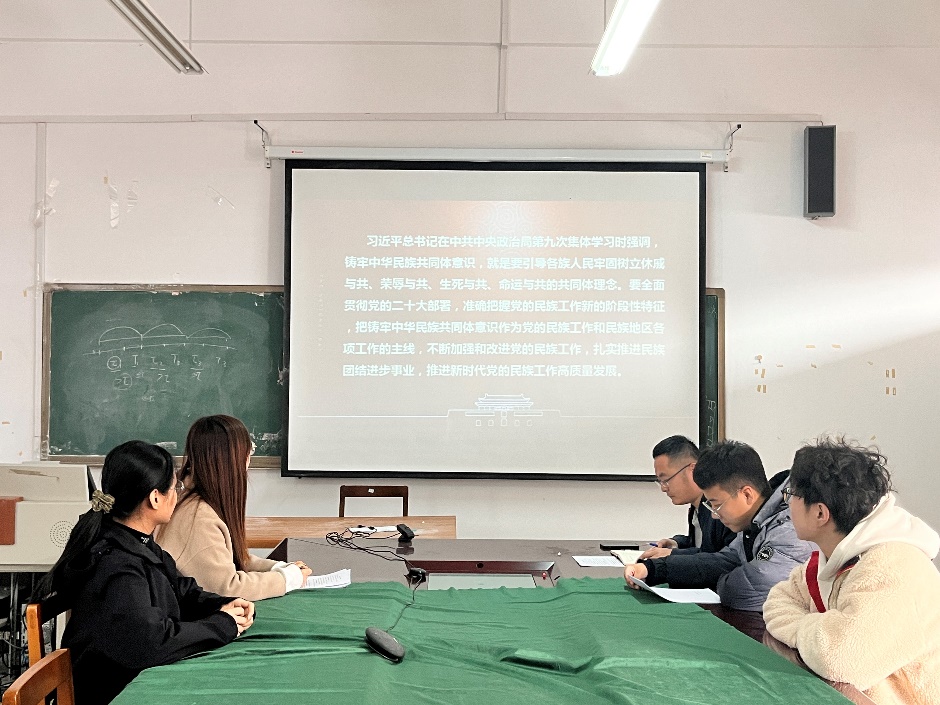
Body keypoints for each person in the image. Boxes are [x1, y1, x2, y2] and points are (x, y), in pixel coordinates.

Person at [32, 440, 253, 705]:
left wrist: (222, 605)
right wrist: (222, 625)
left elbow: (181, 591)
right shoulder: (117, 565)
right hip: (115, 694)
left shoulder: (136, 541)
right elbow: (150, 642)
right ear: (155, 497)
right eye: (175, 487)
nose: (177, 495)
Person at [763, 438, 940, 705]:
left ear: (820, 513)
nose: (788, 504)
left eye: (791, 495)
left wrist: (803, 629)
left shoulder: (894, 565)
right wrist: (820, 630)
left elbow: (841, 659)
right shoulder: (837, 553)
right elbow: (778, 600)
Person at [624, 439, 813, 610]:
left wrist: (719, 581)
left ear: (747, 494)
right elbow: (726, 560)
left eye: (717, 504)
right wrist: (655, 569)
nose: (714, 515)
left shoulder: (789, 529)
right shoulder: (756, 523)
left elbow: (749, 591)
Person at [155, 415, 312, 600]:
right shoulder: (198, 517)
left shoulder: (193, 497)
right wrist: (287, 579)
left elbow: (229, 560)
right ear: (235, 459)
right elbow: (228, 588)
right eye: (250, 450)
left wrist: (278, 568)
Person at [639, 435, 735, 561]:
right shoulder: (696, 507)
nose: (663, 488)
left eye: (666, 480)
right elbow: (699, 544)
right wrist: (676, 543)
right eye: (660, 481)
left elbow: (716, 556)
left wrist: (672, 554)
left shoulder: (717, 508)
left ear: (692, 470)